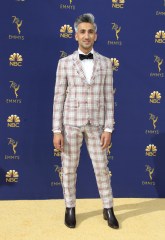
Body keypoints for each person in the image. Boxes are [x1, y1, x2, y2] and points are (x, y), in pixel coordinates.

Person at [52, 13, 119, 229]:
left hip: (97, 124)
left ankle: (108, 208)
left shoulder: (106, 64)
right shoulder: (64, 63)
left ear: (96, 35)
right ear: (76, 36)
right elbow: (58, 97)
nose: (86, 35)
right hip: (70, 122)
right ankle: (70, 207)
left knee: (101, 168)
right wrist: (56, 130)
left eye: (90, 32)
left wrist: (108, 127)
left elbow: (109, 97)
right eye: (82, 31)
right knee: (69, 167)